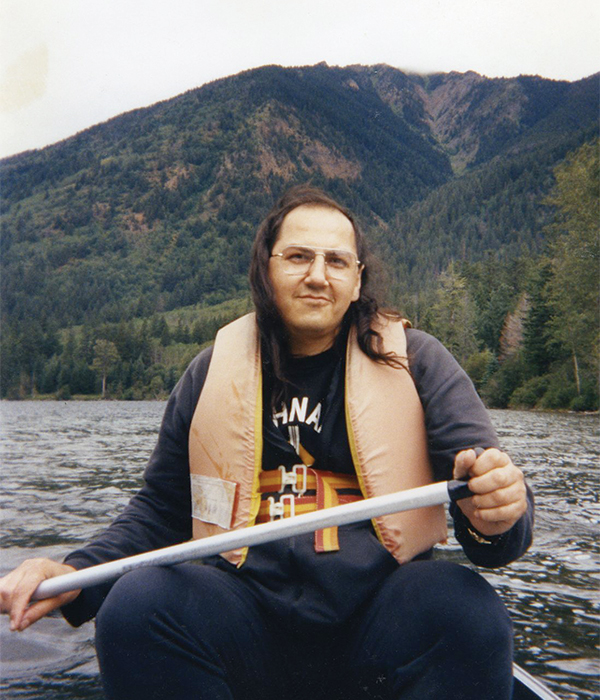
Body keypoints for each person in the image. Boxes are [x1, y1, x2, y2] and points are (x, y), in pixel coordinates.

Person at [1, 185, 533, 700]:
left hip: (377, 626)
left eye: (337, 261)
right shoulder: (210, 372)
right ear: (267, 267)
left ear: (357, 278)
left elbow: (491, 497)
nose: (318, 277)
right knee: (137, 605)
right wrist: (74, 572)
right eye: (298, 257)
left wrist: (498, 509)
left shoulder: (419, 361)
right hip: (243, 624)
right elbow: (161, 511)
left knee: (464, 608)